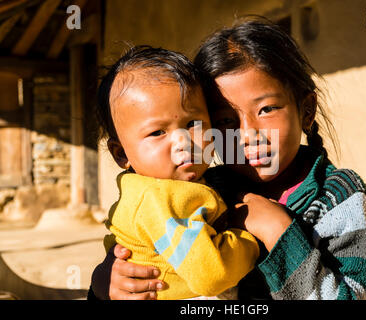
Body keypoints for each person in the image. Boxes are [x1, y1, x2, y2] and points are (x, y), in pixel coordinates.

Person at [89, 17, 366, 300]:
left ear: (305, 110)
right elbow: (133, 251)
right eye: (226, 121)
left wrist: (278, 231)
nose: (247, 134)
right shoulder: (202, 189)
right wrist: (106, 280)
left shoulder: (341, 198)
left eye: (266, 109)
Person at [94, 45, 260, 300]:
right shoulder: (160, 201)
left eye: (193, 124)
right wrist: (251, 239)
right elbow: (213, 275)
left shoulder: (166, 189)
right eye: (158, 132)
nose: (184, 142)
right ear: (121, 154)